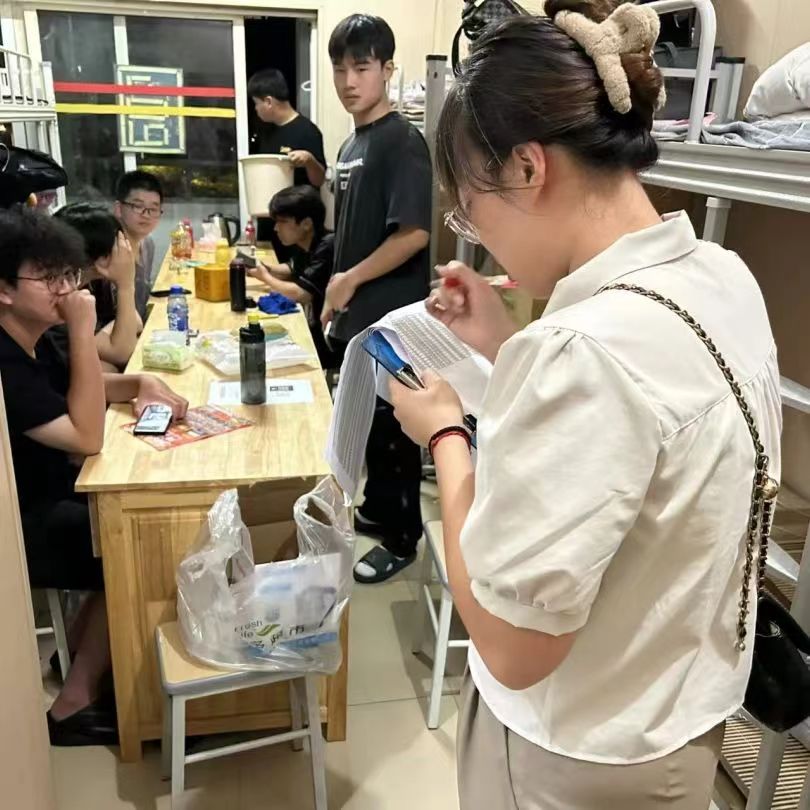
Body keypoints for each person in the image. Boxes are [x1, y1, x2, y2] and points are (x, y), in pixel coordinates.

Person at [389, 4, 782, 809]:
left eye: (470, 210)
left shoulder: (582, 351)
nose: (477, 238)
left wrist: (446, 436)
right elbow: (633, 443)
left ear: (528, 168)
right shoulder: (721, 276)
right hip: (677, 720)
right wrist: (504, 343)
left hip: (575, 754)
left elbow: (512, 646)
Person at [0, 207, 188, 746]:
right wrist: (83, 329)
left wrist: (140, 382)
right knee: (136, 541)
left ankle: (79, 654)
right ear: (4, 290)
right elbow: (87, 435)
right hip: (21, 525)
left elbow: (82, 386)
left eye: (68, 274)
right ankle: (73, 704)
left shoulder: (33, 335)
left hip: (55, 493)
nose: (67, 289)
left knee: (129, 520)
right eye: (49, 278)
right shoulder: (6, 360)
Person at [325, 14, 432, 584]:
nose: (349, 80)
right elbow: (350, 232)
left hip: (393, 321)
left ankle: (402, 538)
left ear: (387, 69)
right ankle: (376, 509)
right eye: (340, 68)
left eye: (362, 67)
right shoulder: (351, 143)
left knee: (396, 434)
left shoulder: (402, 142)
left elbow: (413, 233)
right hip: (357, 317)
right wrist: (335, 290)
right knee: (368, 425)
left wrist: (350, 280)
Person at [247, 185, 334, 368]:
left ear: (306, 223)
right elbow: (293, 268)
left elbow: (302, 293)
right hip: (315, 324)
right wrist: (268, 268)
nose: (276, 228)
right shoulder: (305, 242)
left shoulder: (327, 246)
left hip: (329, 339)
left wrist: (265, 277)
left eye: (282, 221)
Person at [249, 67, 327, 256]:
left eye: (256, 103)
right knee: (267, 266)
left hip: (295, 227)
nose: (256, 109)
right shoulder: (266, 132)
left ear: (268, 102)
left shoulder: (307, 131)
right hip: (269, 220)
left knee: (293, 271)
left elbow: (319, 180)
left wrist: (309, 160)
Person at [54, 202, 142, 370]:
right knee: (108, 368)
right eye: (119, 246)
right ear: (102, 258)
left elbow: (136, 322)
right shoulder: (60, 294)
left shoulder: (97, 282)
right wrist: (126, 284)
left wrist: (101, 340)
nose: (125, 252)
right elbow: (121, 352)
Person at [114, 170, 164, 319]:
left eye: (153, 209)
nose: (146, 214)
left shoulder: (148, 244)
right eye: (137, 206)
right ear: (118, 209)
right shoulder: (112, 251)